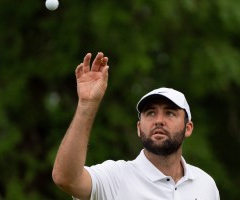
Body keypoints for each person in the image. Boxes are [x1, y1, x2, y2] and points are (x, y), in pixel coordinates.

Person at [52, 52, 220, 200]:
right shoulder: (116, 178)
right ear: (139, 128)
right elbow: (66, 178)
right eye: (150, 113)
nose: (159, 120)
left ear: (188, 128)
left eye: (170, 113)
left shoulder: (206, 185)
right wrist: (87, 105)